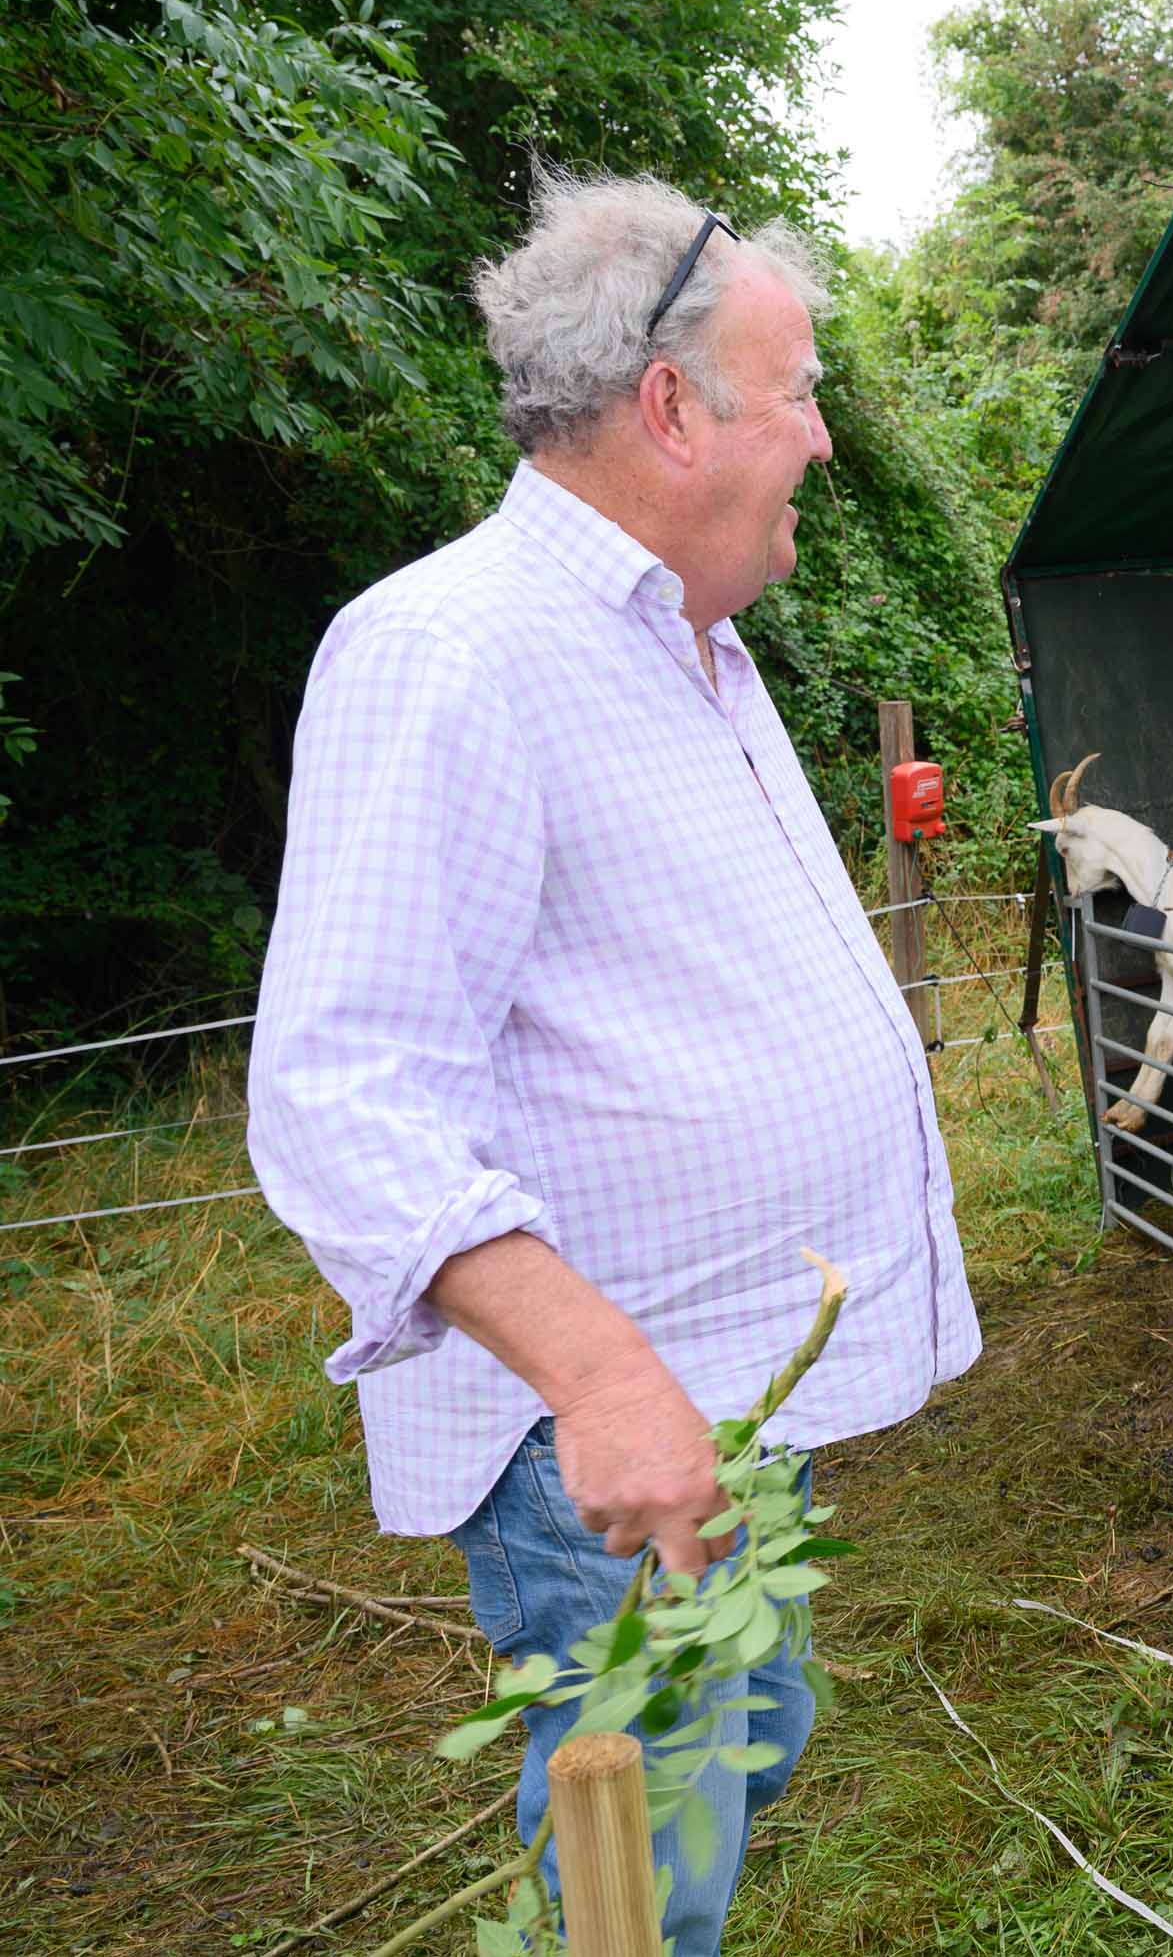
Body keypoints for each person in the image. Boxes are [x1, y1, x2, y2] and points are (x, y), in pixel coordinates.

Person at [246, 172, 978, 1951]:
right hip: (620, 1436)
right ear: (672, 408)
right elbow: (346, 1089)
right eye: (795, 392)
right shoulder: (450, 652)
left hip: (729, 1394)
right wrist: (602, 1383)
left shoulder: (686, 646)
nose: (818, 439)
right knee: (644, 1862)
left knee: (742, 1740)